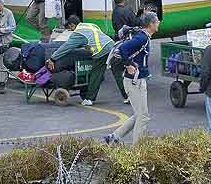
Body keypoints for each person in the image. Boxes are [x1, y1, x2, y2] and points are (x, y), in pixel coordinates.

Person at [105, 12, 159, 145]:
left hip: (138, 80)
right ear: (151, 24)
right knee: (143, 117)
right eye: (157, 21)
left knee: (139, 115)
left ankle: (114, 137)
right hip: (134, 81)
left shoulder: (144, 36)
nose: (159, 23)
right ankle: (137, 149)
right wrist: (128, 64)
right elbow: (123, 49)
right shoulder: (142, 38)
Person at [48, 15, 114, 106]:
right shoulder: (90, 25)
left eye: (70, 28)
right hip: (111, 44)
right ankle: (127, 95)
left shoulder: (78, 33)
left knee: (96, 74)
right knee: (117, 72)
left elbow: (66, 47)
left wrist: (52, 58)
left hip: (102, 51)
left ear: (72, 25)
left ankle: (89, 99)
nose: (71, 30)